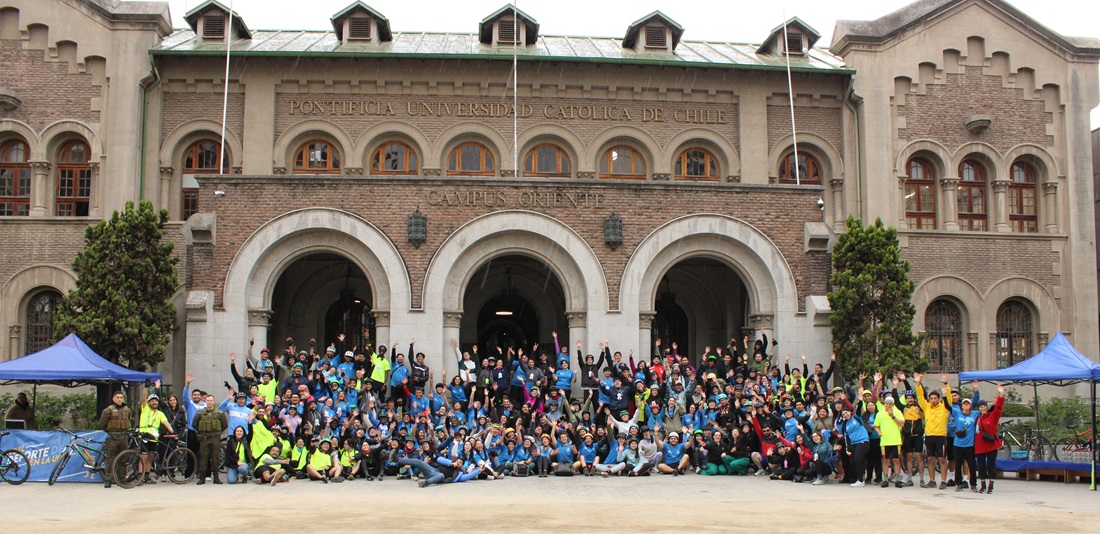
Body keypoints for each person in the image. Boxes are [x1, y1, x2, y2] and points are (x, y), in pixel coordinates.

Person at [915, 373, 953, 489]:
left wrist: (946, 384)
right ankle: (932, 480)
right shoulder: (926, 407)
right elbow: (921, 397)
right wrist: (918, 384)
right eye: (931, 398)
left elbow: (949, 399)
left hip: (940, 436)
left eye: (935, 398)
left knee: (941, 459)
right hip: (929, 436)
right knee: (930, 459)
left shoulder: (944, 407)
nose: (932, 400)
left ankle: (943, 481)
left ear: (939, 399)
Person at [137, 384, 173, 484]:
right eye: (152, 401)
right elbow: (143, 398)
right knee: (142, 457)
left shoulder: (160, 413)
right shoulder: (145, 409)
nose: (154, 402)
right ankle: (140, 477)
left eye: (156, 401)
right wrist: (146, 388)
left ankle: (147, 476)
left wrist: (172, 432)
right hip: (144, 435)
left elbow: (166, 423)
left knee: (150, 457)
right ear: (149, 403)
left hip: (154, 437)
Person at [973, 384, 1005, 495]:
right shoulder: (978, 418)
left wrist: (1001, 394)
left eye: (984, 406)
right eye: (980, 407)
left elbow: (999, 408)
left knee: (991, 465)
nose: (982, 408)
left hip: (991, 444)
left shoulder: (992, 416)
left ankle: (991, 485)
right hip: (979, 444)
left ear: (987, 407)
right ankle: (982, 485)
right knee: (981, 466)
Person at [98, 390, 132, 488]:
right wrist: (111, 431)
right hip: (113, 437)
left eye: (121, 397)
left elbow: (130, 420)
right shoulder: (108, 410)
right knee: (110, 459)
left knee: (123, 459)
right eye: (117, 397)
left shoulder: (127, 410)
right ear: (113, 398)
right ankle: (108, 479)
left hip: (124, 436)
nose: (119, 399)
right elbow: (102, 424)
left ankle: (122, 479)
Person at [193, 393, 228, 485]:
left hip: (215, 437)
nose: (209, 402)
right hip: (204, 438)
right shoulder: (200, 413)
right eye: (208, 400)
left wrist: (217, 432)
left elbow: (224, 425)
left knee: (215, 458)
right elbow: (194, 424)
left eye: (211, 401)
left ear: (213, 401)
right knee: (204, 458)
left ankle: (216, 477)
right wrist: (202, 432)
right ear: (205, 401)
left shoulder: (219, 413)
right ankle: (202, 478)